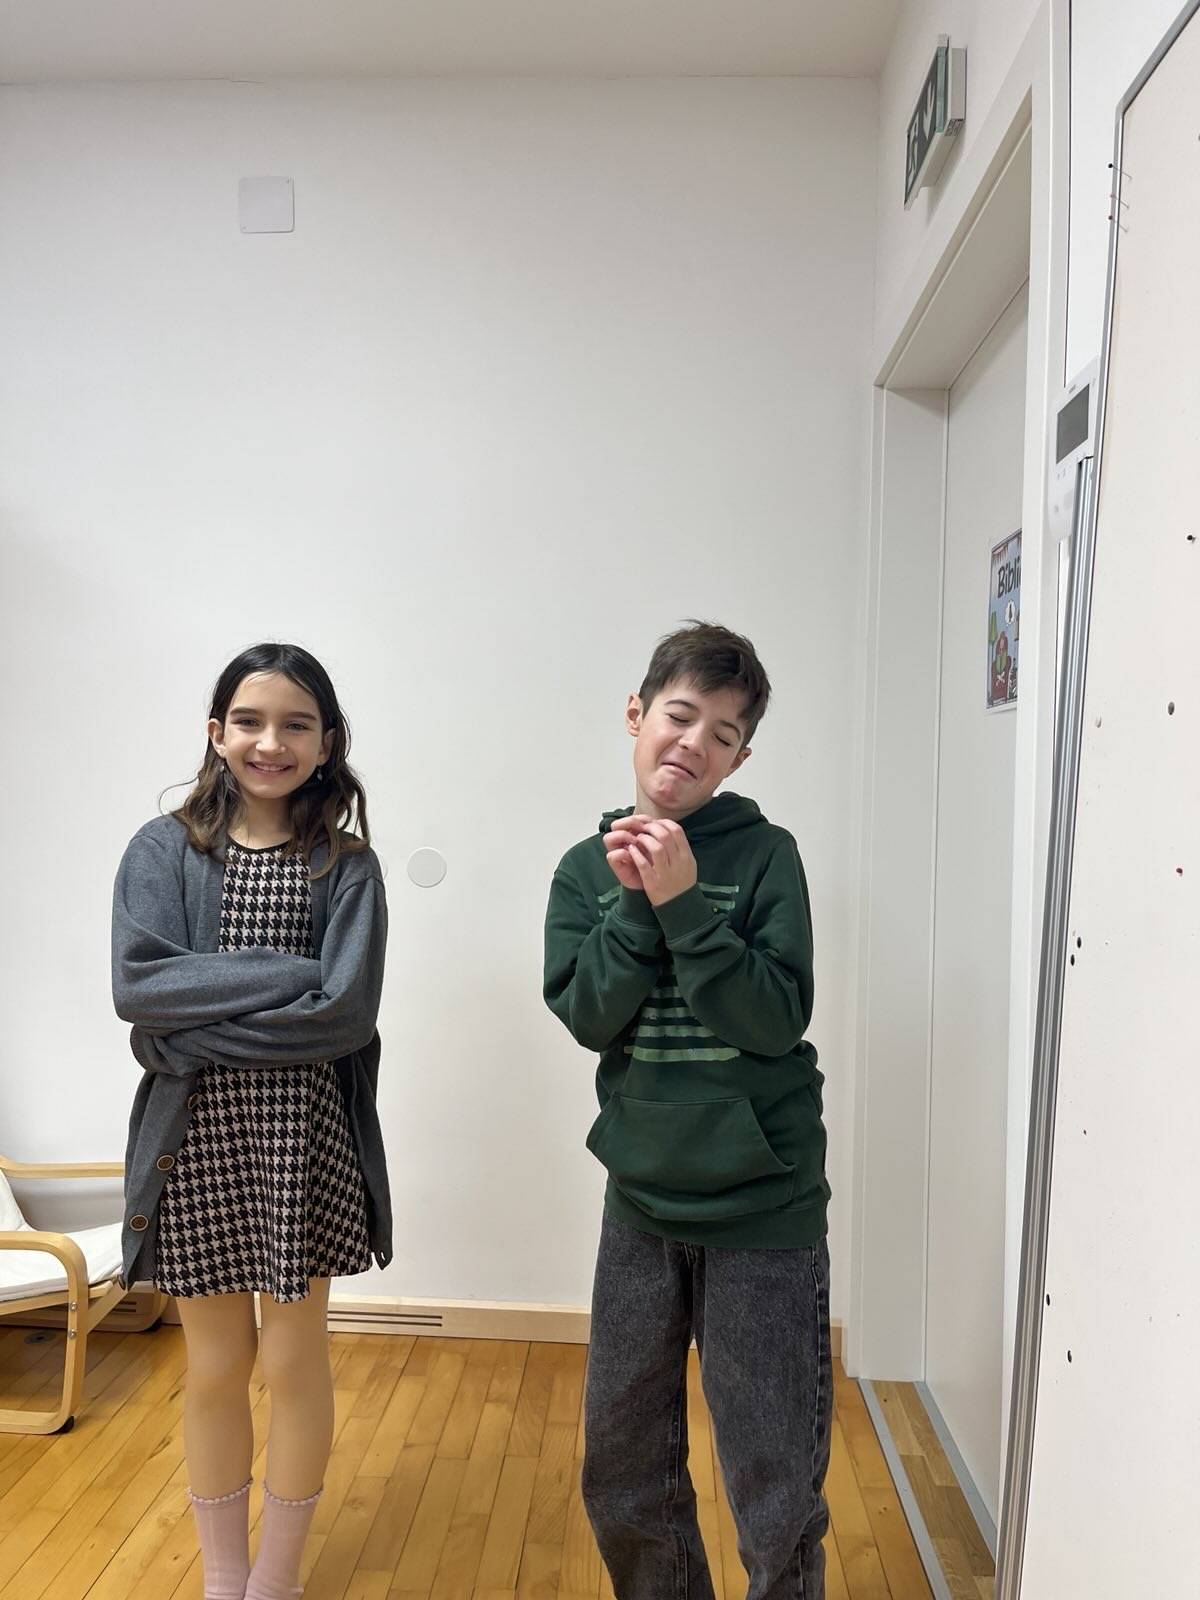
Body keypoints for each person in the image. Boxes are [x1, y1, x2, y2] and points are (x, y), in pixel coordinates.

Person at [543, 620, 832, 1600]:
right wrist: (637, 899)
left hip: (763, 1205)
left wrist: (684, 904)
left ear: (740, 758)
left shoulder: (766, 854)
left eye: (723, 733)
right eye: (679, 715)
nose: (693, 743)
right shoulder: (585, 869)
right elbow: (590, 1015)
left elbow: (774, 1019)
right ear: (637, 714)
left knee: (772, 1473)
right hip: (641, 1200)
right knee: (623, 1465)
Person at [111, 642, 390, 1600]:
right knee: (215, 1366)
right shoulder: (160, 851)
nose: (271, 742)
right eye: (250, 721)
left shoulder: (348, 867)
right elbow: (140, 990)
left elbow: (344, 1016)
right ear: (216, 732)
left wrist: (198, 1024)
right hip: (192, 1147)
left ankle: (277, 1576)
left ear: (327, 741)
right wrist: (292, 975)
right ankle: (223, 1576)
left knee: (294, 1363)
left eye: (296, 724)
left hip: (304, 1146)